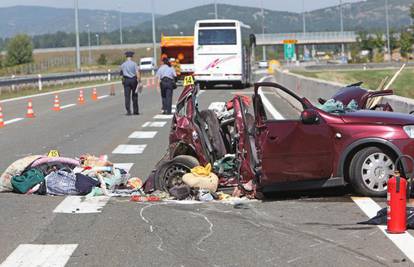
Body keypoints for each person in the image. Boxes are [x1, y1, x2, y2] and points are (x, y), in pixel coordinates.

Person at [120, 51, 141, 115]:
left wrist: (123, 81)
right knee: (134, 96)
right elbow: (137, 73)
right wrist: (139, 81)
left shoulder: (123, 64)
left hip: (126, 80)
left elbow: (121, 74)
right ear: (132, 56)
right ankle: (135, 111)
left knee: (127, 96)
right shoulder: (134, 64)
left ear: (126, 56)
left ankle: (128, 111)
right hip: (133, 80)